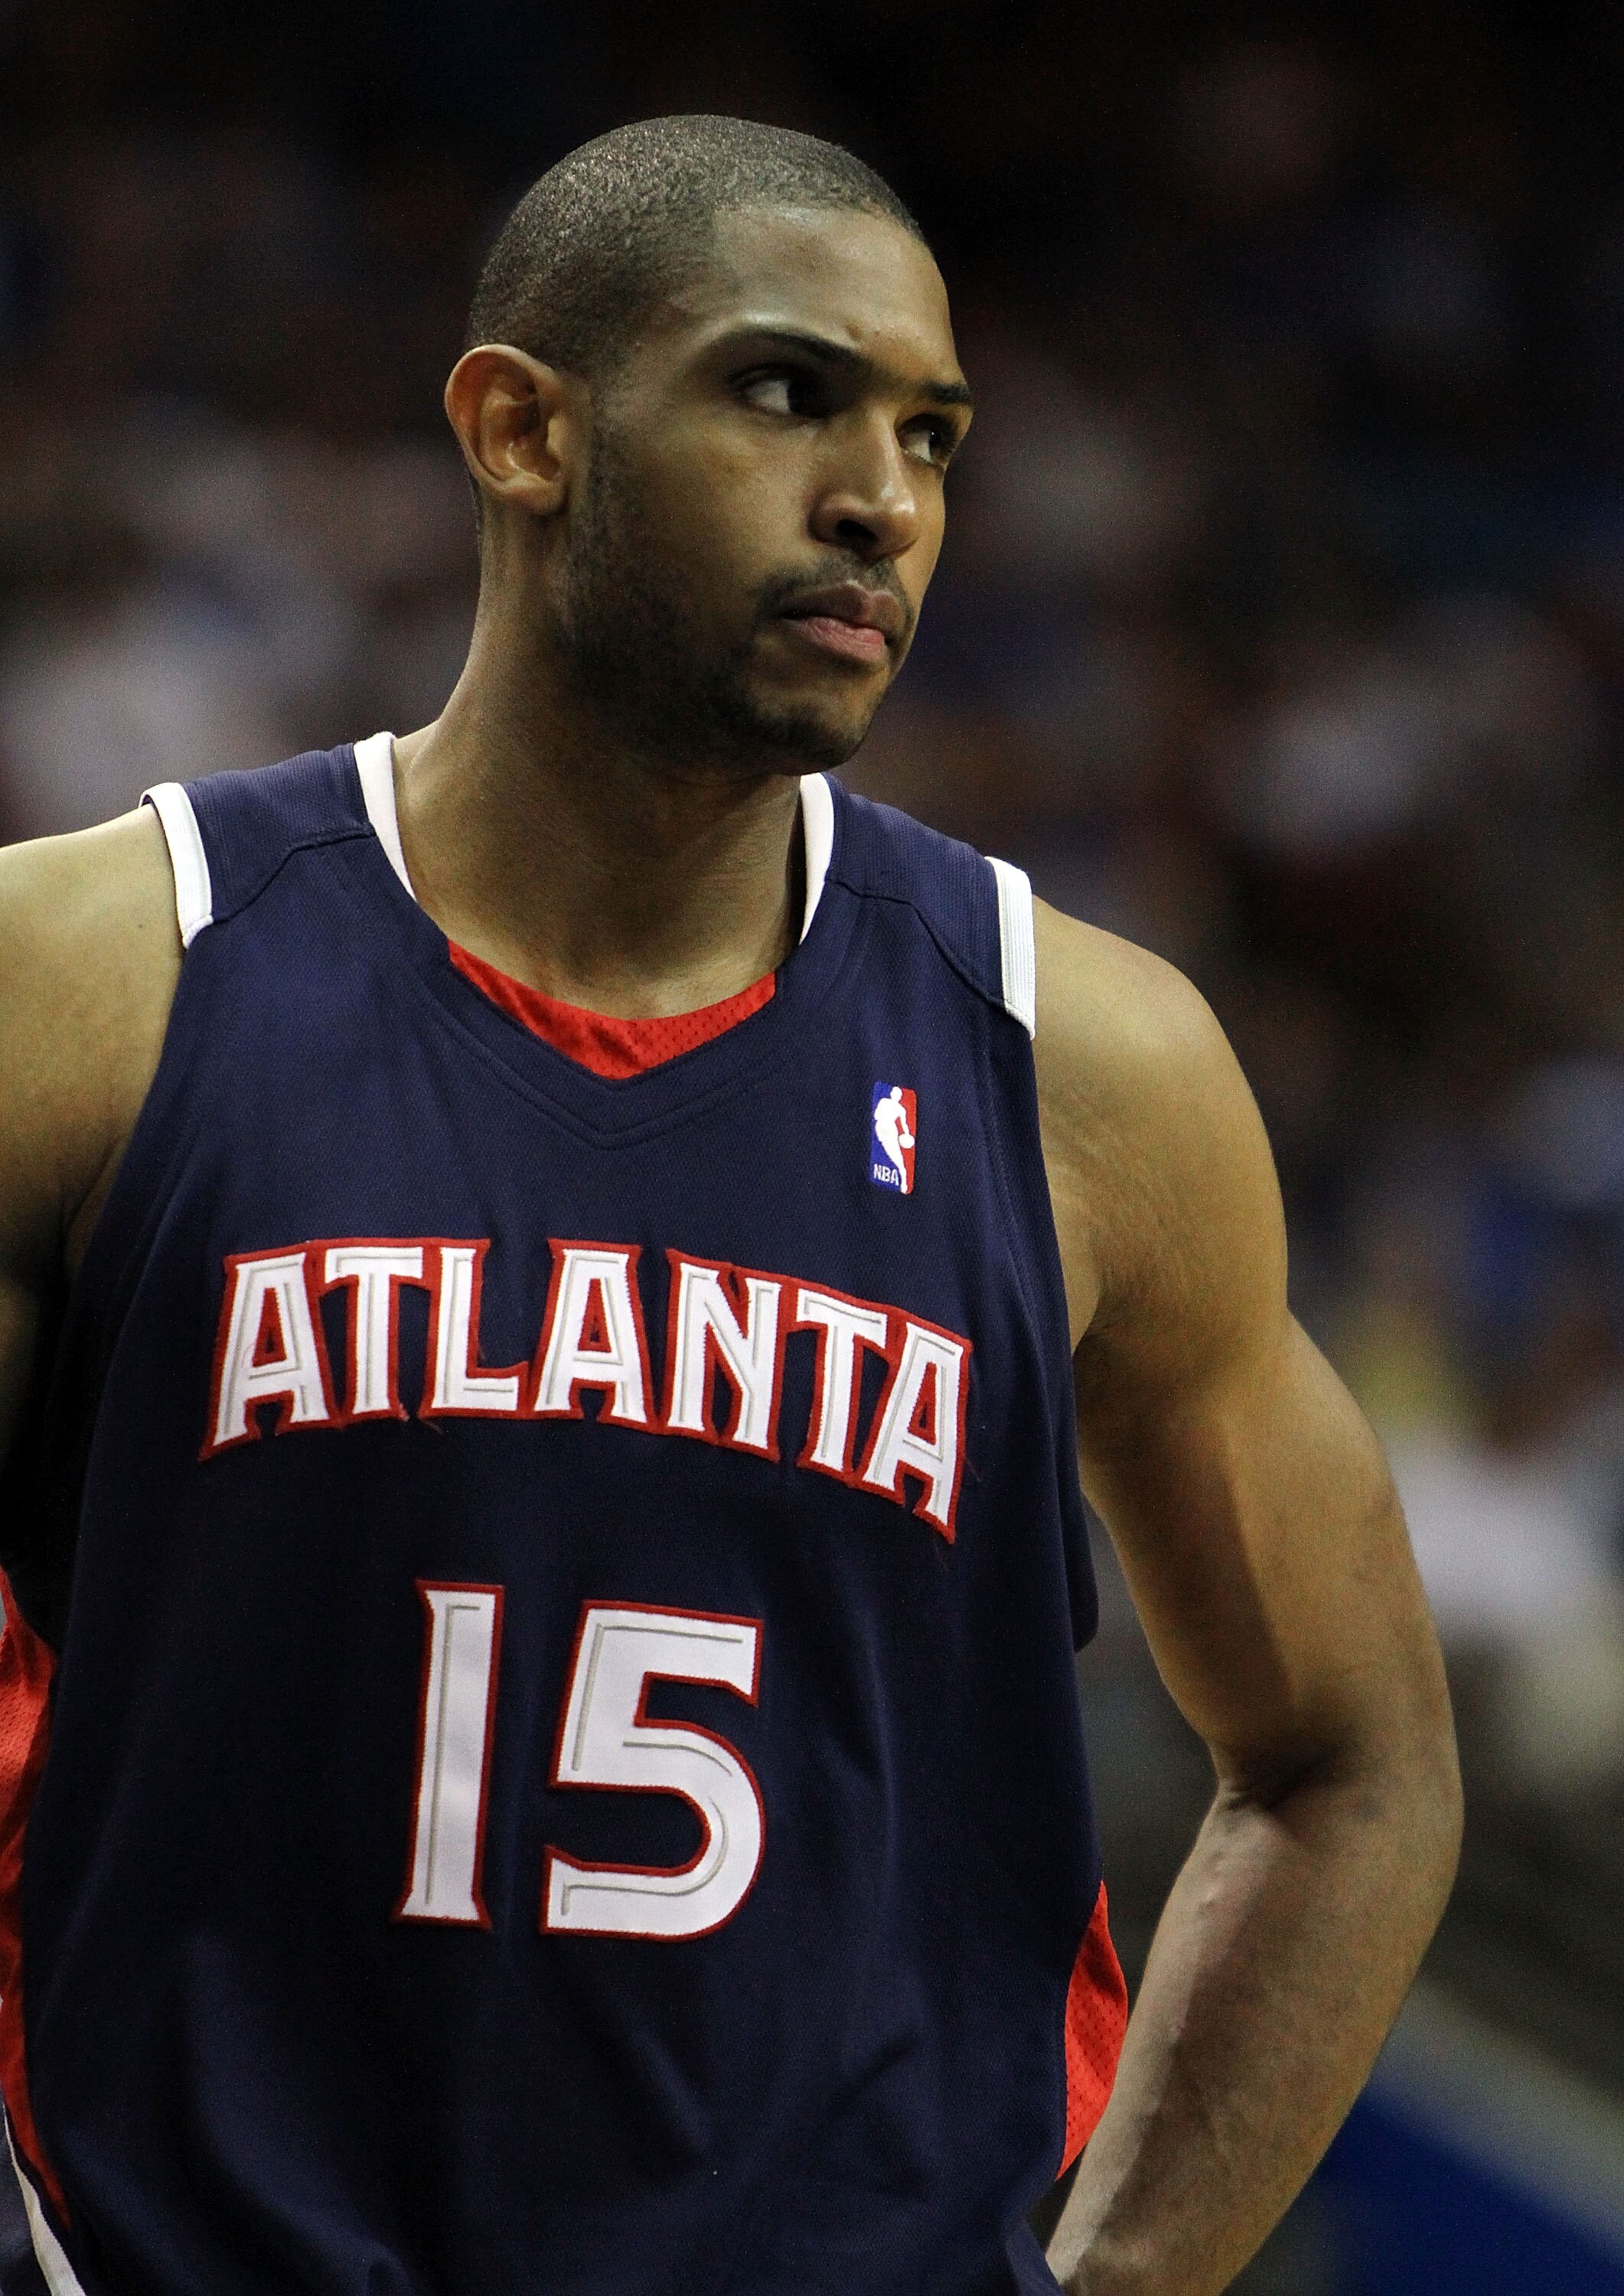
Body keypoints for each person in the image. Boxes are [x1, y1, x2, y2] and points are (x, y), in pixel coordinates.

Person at [0, 117, 1460, 2296]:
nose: (884, 500)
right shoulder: (98, 984)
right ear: (522, 430)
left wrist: (1135, 2275)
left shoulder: (1089, 1072)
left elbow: (1353, 1763)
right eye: (787, 392)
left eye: (931, 435)